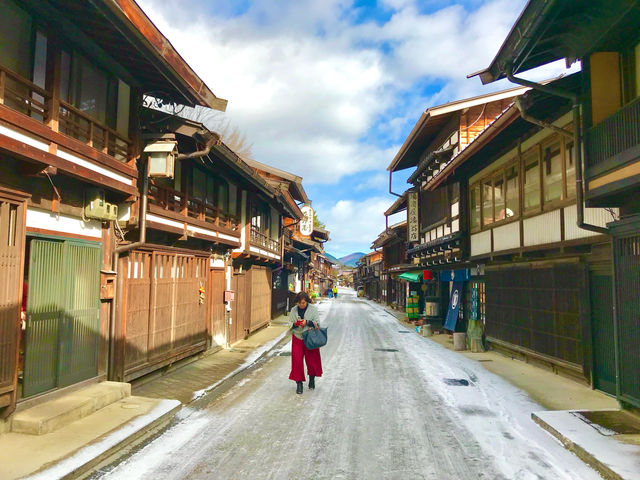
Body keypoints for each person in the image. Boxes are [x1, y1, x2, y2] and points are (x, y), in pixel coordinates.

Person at [289, 291, 322, 394]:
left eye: (303, 302)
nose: (301, 305)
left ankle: (312, 379)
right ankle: (299, 384)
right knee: (297, 361)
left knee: (312, 360)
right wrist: (295, 324)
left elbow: (318, 323)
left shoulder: (313, 309)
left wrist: (307, 322)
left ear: (307, 301)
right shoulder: (293, 310)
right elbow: (290, 324)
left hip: (310, 338)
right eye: (299, 303)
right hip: (297, 337)